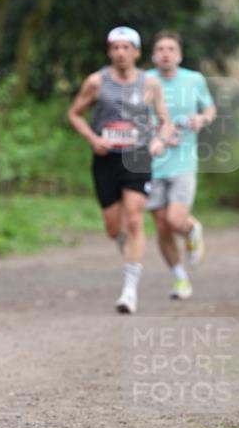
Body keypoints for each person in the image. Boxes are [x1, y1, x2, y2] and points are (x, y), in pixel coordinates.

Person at [68, 26, 171, 314]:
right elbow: (74, 114)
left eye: (126, 47)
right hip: (106, 159)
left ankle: (129, 290)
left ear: (136, 52)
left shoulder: (150, 83)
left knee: (135, 220)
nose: (120, 53)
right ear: (109, 51)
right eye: (115, 48)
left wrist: (160, 141)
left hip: (138, 156)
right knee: (115, 228)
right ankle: (128, 252)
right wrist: (93, 138)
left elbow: (165, 121)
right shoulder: (96, 82)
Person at [146, 30, 216, 299]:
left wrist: (203, 119)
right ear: (153, 54)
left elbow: (209, 109)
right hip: (151, 163)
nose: (165, 53)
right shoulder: (145, 80)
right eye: (160, 49)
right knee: (161, 226)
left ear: (179, 54)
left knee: (175, 220)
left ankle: (191, 229)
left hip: (183, 162)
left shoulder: (194, 79)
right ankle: (180, 279)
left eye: (171, 49)